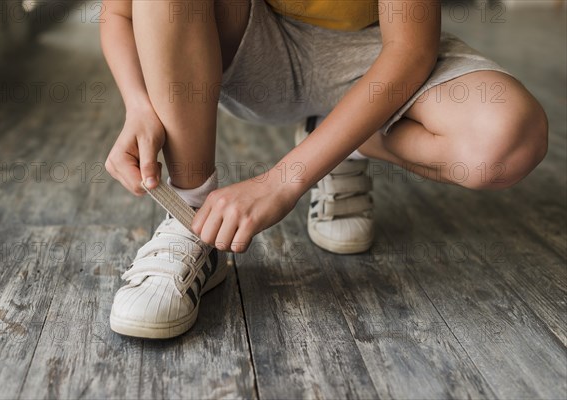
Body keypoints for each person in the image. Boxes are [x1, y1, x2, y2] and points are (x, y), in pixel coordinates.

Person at [101, 0, 548, 338]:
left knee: (507, 140)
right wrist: (140, 106)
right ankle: (192, 218)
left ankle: (338, 143)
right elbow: (119, 13)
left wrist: (284, 180)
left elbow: (410, 51)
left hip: (379, 60)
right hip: (255, 48)